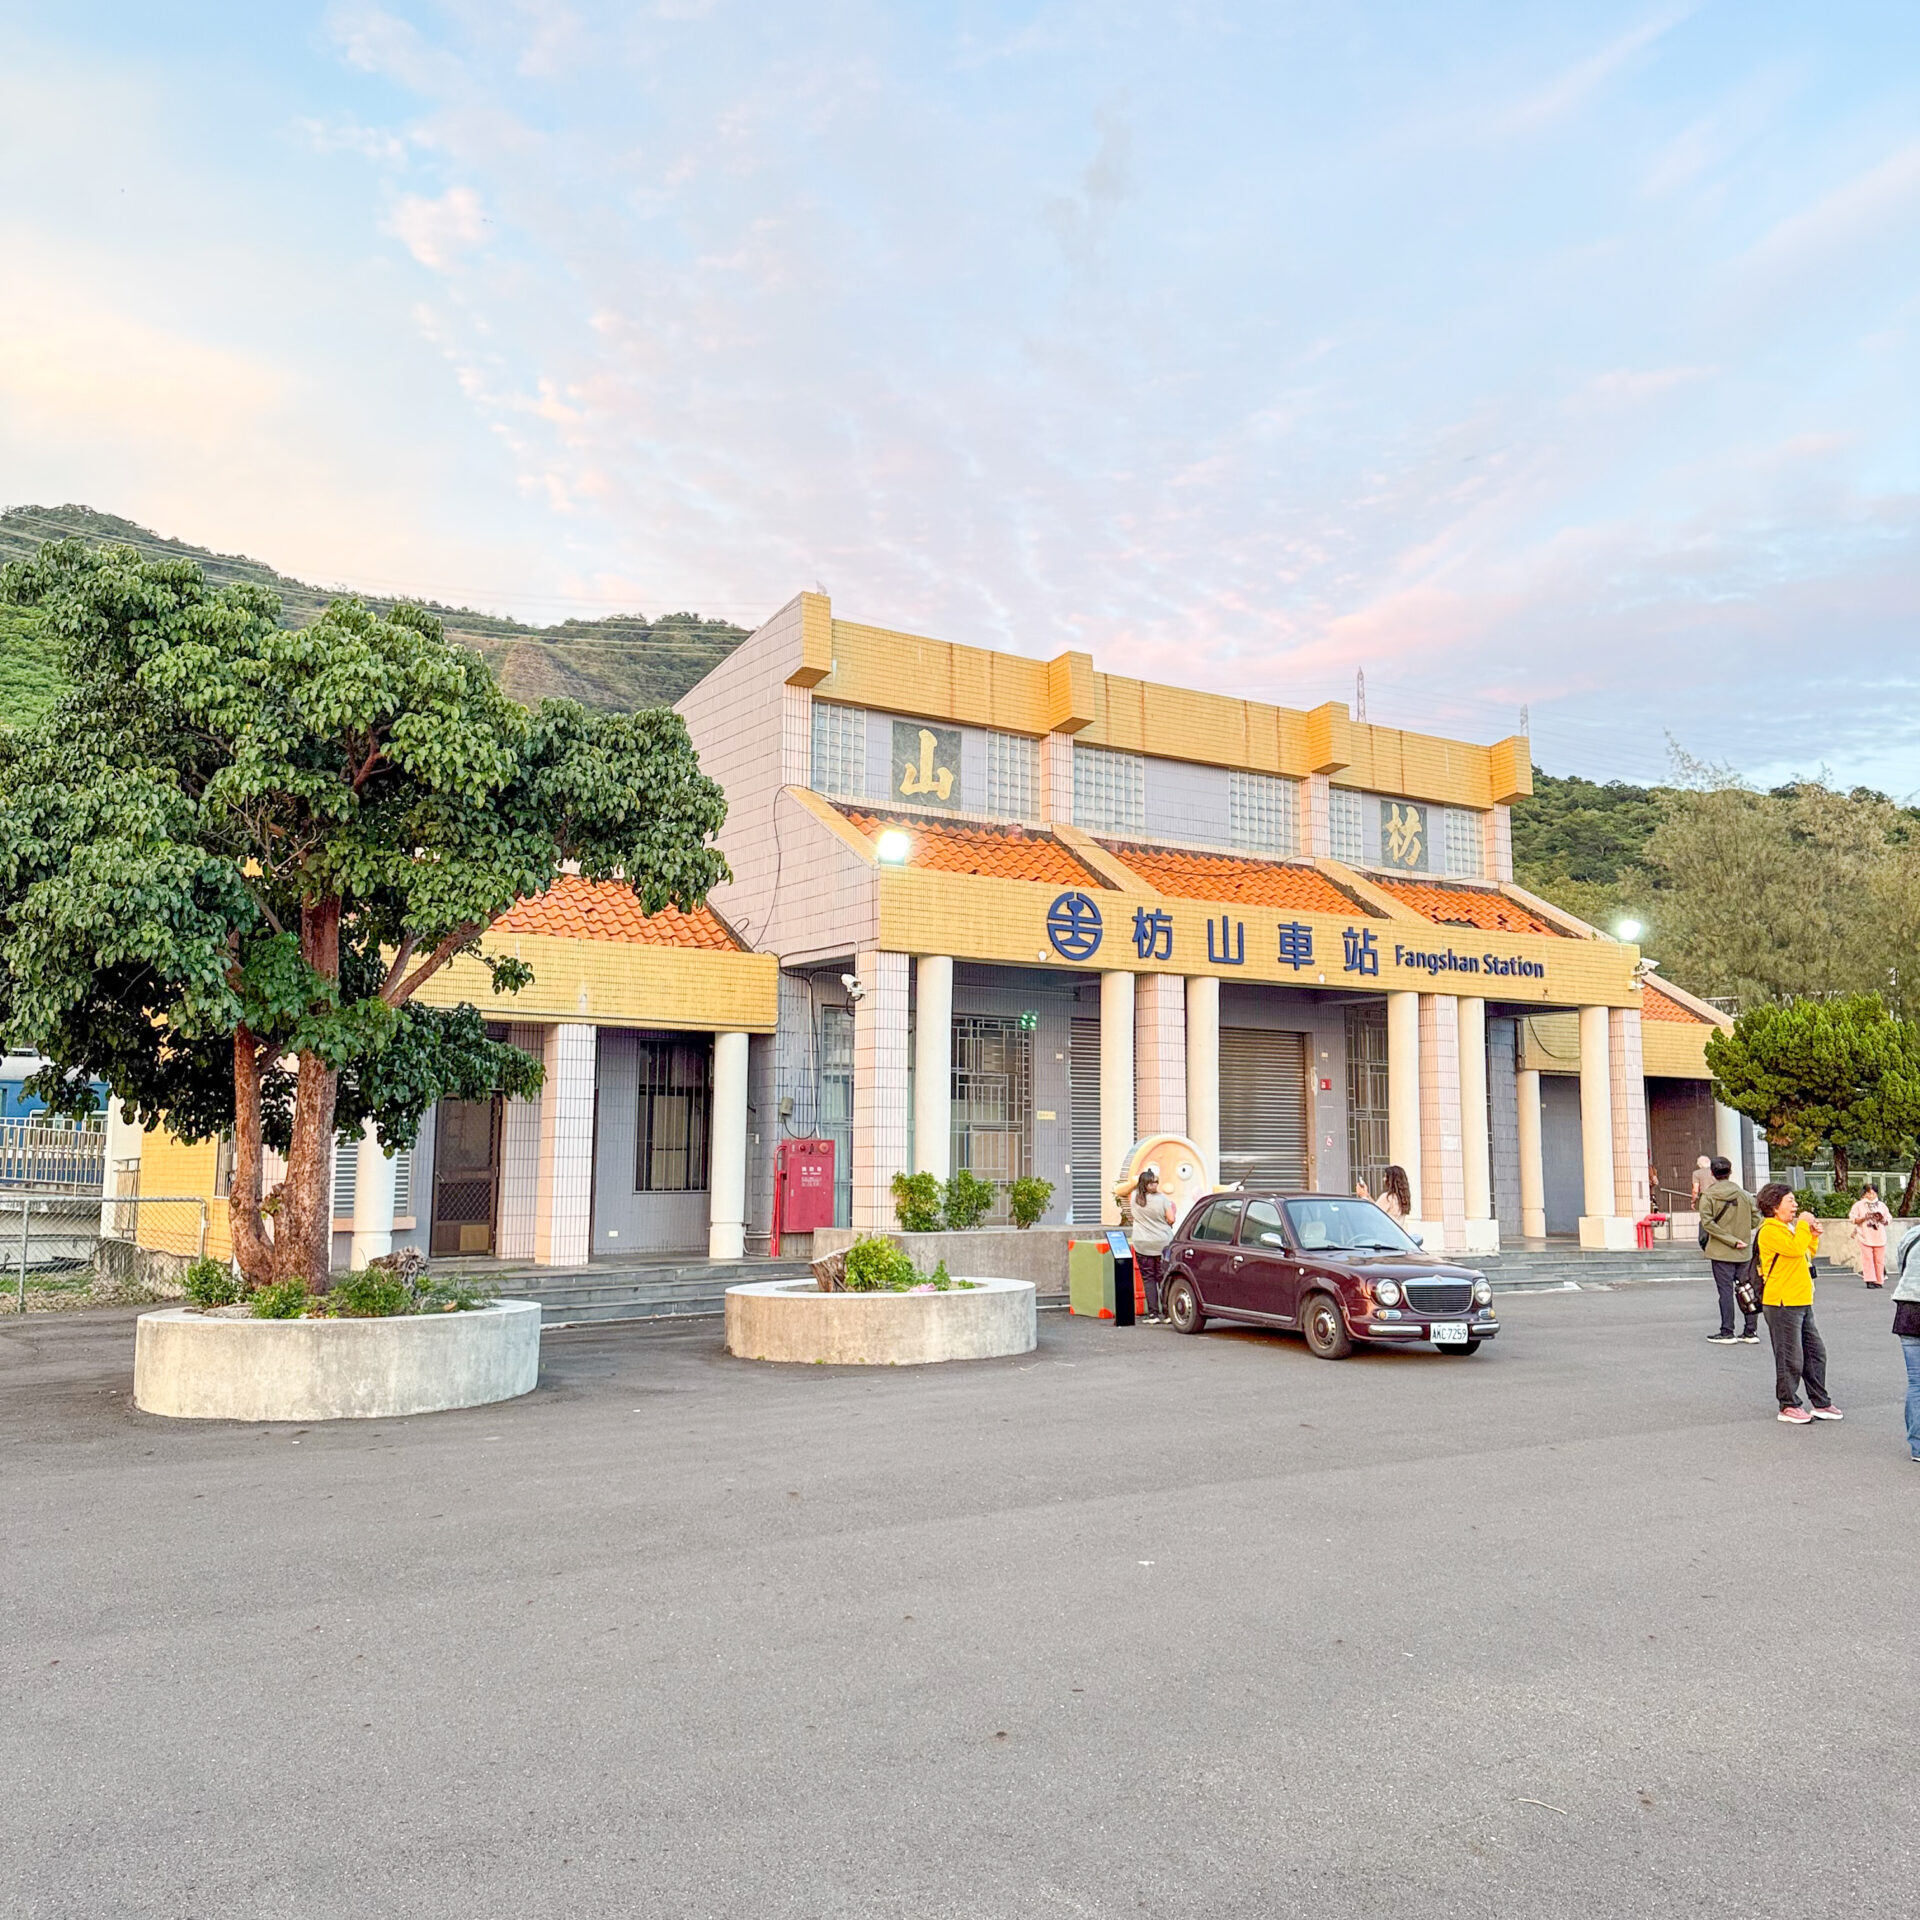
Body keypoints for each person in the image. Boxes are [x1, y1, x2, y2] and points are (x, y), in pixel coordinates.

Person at [1755, 1183, 1841, 1425]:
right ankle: (1788, 1404)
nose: (1795, 1206)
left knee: (1815, 1353)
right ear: (1774, 1206)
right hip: (1782, 1301)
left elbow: (1803, 1254)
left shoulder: (1788, 1229)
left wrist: (1811, 1235)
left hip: (1801, 1299)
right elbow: (1793, 1250)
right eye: (1790, 1201)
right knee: (1790, 1356)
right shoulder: (1769, 1230)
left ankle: (1820, 1401)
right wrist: (1804, 1224)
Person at [1698, 1155, 1759, 1344]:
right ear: (1730, 1172)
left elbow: (1707, 1223)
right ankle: (1750, 1331)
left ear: (1712, 1173)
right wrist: (1741, 1233)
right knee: (1746, 1289)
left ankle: (1727, 1331)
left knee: (1725, 1291)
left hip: (1720, 1251)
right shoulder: (1745, 1195)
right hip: (1744, 1251)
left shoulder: (1708, 1195)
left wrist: (1729, 1239)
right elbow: (1757, 1218)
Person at [1124, 1164, 1178, 1325]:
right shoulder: (1162, 1199)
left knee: (1148, 1279)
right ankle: (1168, 1313)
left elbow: (1123, 1191)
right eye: (1152, 1182)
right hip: (1162, 1243)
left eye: (1156, 1182)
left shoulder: (1134, 1197)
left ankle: (1153, 1314)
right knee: (1163, 1279)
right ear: (1147, 1184)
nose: (1155, 1185)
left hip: (1142, 1243)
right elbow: (1171, 1219)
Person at [1891, 1226, 1920, 1464]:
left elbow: (1902, 1268)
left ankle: (1918, 1446)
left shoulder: (1911, 1235)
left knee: (1916, 1382)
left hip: (1908, 1307)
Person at [1849, 1184, 1892, 1288]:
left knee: (1879, 1260)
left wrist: (1881, 1218)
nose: (1871, 1196)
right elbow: (1853, 1219)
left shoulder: (1881, 1205)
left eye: (1873, 1193)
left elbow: (1888, 1219)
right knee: (1868, 1259)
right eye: (1869, 1193)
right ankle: (1869, 1280)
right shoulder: (1859, 1205)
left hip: (1879, 1236)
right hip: (1865, 1236)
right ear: (1865, 1194)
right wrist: (1864, 1217)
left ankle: (1879, 1280)